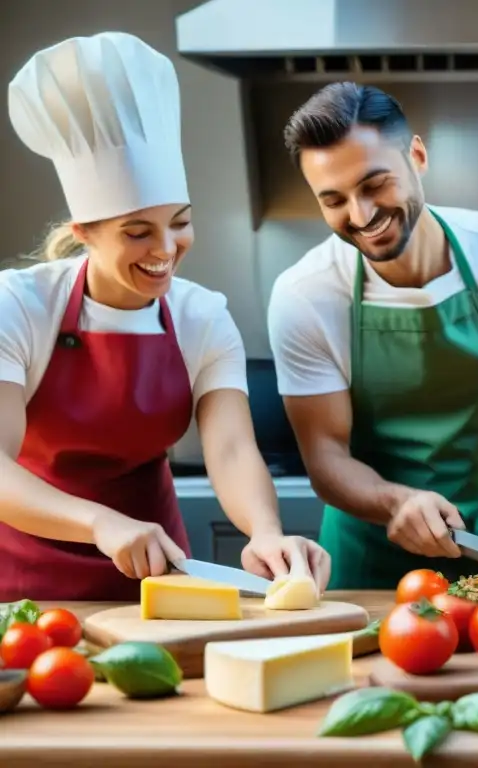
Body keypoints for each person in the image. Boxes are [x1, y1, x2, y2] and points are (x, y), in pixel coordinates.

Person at [0, 32, 331, 601]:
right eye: (137, 232)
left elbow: (229, 450)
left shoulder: (202, 317)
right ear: (84, 233)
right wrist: (100, 522)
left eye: (180, 222)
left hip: (157, 575)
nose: (166, 248)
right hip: (24, 582)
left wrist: (266, 531)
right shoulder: (19, 306)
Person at [267, 82, 478, 589]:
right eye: (334, 200)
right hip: (369, 564)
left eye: (375, 184)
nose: (361, 215)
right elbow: (326, 455)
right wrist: (396, 501)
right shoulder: (305, 295)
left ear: (417, 156)